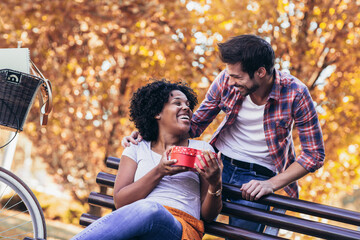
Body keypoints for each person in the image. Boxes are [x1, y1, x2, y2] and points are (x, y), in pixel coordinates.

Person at [122, 34, 325, 234]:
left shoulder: (295, 93)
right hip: (215, 162)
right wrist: (145, 131)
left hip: (257, 178)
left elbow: (314, 155)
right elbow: (195, 124)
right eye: (228, 74)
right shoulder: (226, 80)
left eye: (237, 77)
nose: (230, 81)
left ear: (261, 72)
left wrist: (270, 184)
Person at [72, 80, 223, 240]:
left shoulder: (201, 149)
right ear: (157, 113)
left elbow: (207, 216)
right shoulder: (137, 147)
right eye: (177, 103)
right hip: (138, 225)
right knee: (148, 210)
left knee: (151, 209)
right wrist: (160, 171)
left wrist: (215, 183)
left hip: (181, 229)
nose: (186, 108)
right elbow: (121, 202)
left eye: (187, 105)